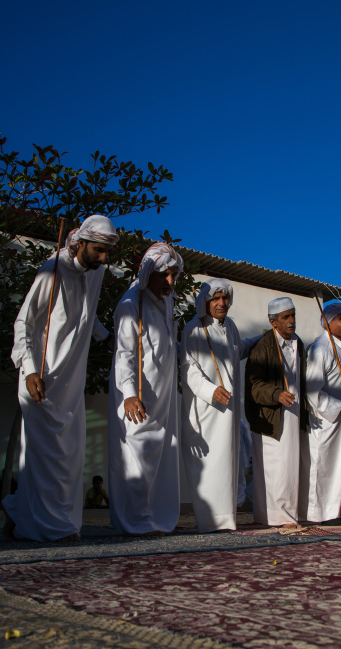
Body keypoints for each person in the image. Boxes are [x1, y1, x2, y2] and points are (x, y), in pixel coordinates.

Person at [3, 215, 118, 542]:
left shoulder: (95, 272)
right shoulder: (52, 270)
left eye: (108, 252)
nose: (104, 259)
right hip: (42, 379)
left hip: (72, 380)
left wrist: (105, 337)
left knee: (69, 455)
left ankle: (16, 509)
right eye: (98, 251)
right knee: (46, 457)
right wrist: (28, 370)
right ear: (80, 243)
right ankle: (52, 529)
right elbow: (23, 322)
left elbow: (87, 312)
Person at [108, 242, 183, 536]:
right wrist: (129, 394)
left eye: (174, 275)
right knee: (137, 454)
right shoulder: (131, 304)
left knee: (159, 457)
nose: (170, 281)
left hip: (163, 396)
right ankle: (136, 521)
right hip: (137, 396)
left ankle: (155, 517)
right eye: (165, 274)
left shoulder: (167, 302)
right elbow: (124, 353)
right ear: (148, 272)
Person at [180, 279, 259, 532]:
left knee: (229, 466)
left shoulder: (231, 326)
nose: (222, 303)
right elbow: (188, 368)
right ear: (206, 302)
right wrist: (211, 390)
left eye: (225, 298)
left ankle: (227, 520)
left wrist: (262, 337)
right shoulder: (193, 329)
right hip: (206, 411)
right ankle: (209, 521)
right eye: (216, 299)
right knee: (210, 466)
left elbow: (238, 351)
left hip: (230, 412)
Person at [245, 297, 308, 528]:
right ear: (273, 322)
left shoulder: (298, 343)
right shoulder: (263, 347)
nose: (292, 321)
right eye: (286, 317)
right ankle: (277, 518)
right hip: (271, 417)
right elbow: (254, 385)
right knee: (276, 470)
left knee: (290, 469)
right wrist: (277, 394)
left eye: (293, 315)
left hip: (293, 415)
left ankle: (282, 515)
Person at [299, 301, 341, 523]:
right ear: (328, 322)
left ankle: (330, 514)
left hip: (337, 422)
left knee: (333, 469)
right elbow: (312, 390)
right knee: (320, 468)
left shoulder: (339, 350)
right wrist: (340, 406)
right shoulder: (321, 348)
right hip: (322, 423)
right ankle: (316, 516)